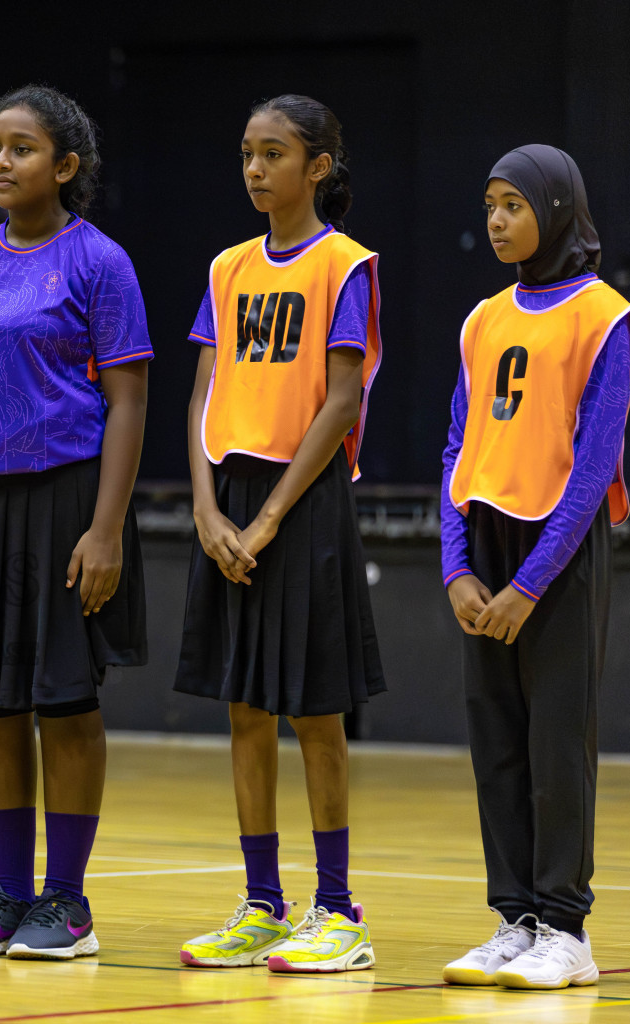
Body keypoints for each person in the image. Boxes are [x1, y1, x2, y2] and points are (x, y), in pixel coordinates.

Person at [0, 84, 150, 961]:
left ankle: (68, 901)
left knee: (65, 700)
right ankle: (10, 894)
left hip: (66, 501)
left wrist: (106, 528)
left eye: (21, 148)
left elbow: (128, 403)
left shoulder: (100, 262)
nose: (0, 162)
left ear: (65, 165)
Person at [175, 95, 383, 973]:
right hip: (230, 496)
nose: (256, 169)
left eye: (274, 154)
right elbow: (202, 395)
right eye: (247, 154)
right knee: (245, 708)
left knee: (315, 710)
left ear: (318, 166)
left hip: (303, 498)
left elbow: (341, 402)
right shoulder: (228, 267)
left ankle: (337, 909)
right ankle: (263, 903)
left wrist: (266, 517)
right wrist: (205, 507)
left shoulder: (345, 265)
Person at [439, 145, 630, 991]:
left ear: (557, 210)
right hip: (484, 543)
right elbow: (458, 444)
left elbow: (594, 467)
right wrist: (455, 566)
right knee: (497, 741)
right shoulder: (483, 319)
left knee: (558, 743)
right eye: (490, 204)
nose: (496, 220)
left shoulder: (604, 317)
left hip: (559, 546)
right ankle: (514, 918)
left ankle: (566, 927)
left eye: (514, 205)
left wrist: (530, 584)